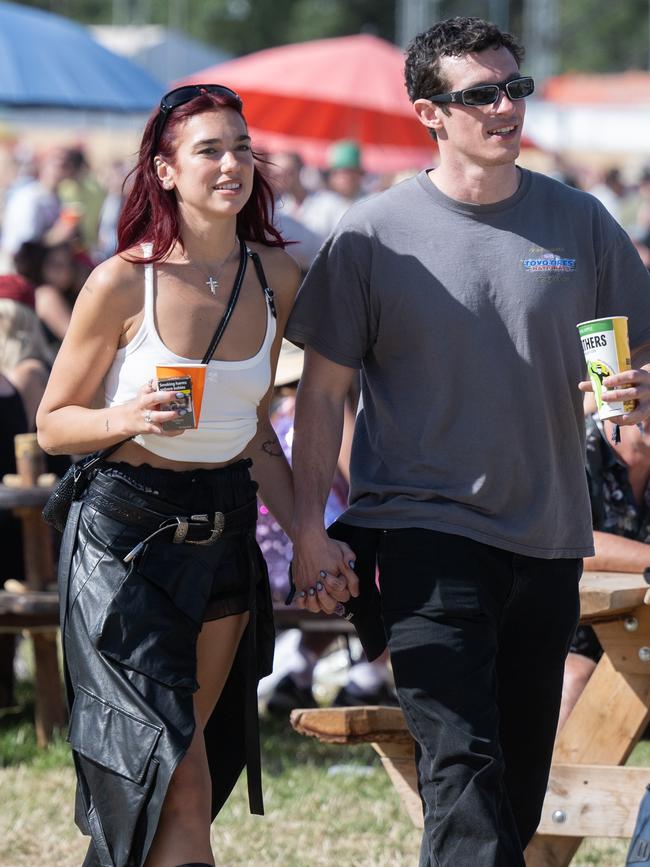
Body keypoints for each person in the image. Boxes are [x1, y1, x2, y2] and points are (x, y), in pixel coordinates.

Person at [285, 16, 650, 867]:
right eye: (478, 94)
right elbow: (322, 394)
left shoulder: (581, 222)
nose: (504, 107)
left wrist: (637, 385)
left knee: (514, 795)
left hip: (550, 538)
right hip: (422, 535)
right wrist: (308, 525)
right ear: (429, 114)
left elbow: (635, 355)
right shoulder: (371, 233)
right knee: (463, 777)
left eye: (514, 87)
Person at [36, 83, 345, 867]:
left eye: (241, 147)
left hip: (222, 530)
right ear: (166, 171)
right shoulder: (120, 282)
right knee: (174, 778)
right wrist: (125, 417)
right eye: (209, 148)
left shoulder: (278, 277)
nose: (231, 162)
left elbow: (255, 440)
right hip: (123, 539)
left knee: (180, 768)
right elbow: (52, 423)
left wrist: (310, 534)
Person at [558, 412, 650, 730]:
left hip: (634, 643)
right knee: (574, 679)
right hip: (554, 642)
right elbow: (568, 540)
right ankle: (540, 783)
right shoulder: (574, 446)